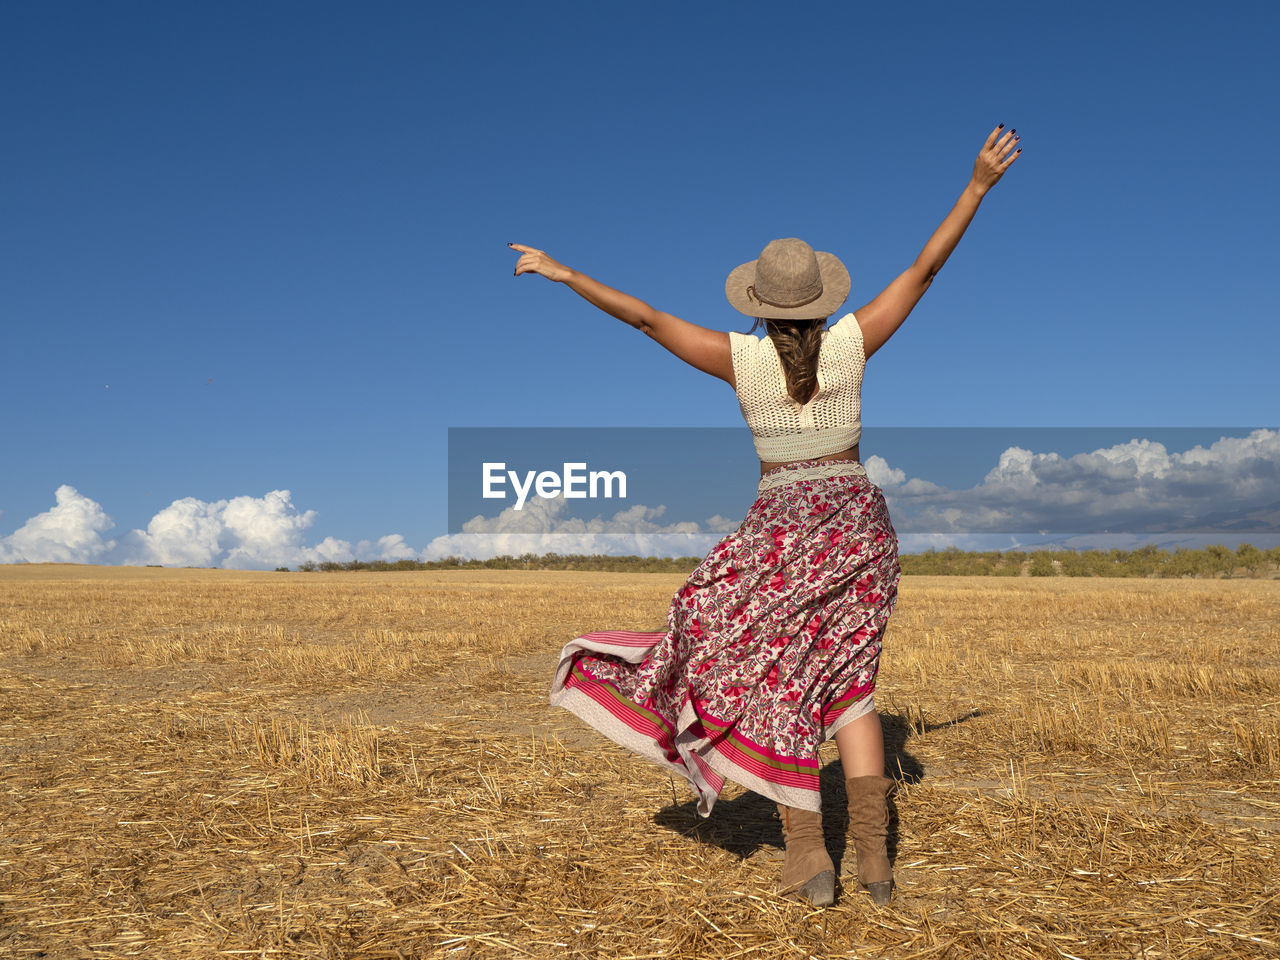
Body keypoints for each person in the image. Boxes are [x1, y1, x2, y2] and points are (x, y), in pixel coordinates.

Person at [510, 124, 1021, 907]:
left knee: (776, 677)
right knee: (850, 688)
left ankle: (811, 857)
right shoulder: (852, 343)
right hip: (856, 521)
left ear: (761, 303)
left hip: (781, 526)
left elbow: (645, 318)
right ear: (821, 299)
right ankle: (876, 867)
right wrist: (977, 185)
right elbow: (923, 270)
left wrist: (565, 271)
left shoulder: (740, 359)